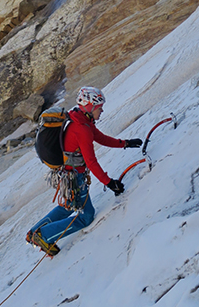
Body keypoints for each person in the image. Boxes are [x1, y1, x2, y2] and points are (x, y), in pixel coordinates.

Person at [26, 86, 142, 256]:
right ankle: (43, 235)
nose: (102, 111)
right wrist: (110, 183)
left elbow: (101, 138)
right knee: (86, 216)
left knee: (67, 207)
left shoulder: (79, 119)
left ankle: (35, 233)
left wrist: (125, 143)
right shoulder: (82, 129)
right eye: (99, 108)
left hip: (68, 175)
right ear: (90, 107)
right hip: (75, 177)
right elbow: (91, 162)